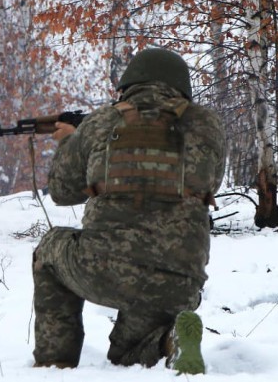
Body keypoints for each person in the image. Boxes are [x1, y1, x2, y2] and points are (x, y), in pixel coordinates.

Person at [31, 47, 228, 373]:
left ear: (127, 85)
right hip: (179, 281)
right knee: (129, 355)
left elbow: (63, 192)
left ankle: (56, 364)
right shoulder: (209, 125)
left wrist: (70, 141)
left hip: (106, 270)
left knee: (49, 249)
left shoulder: (100, 122)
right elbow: (211, 183)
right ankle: (170, 339)